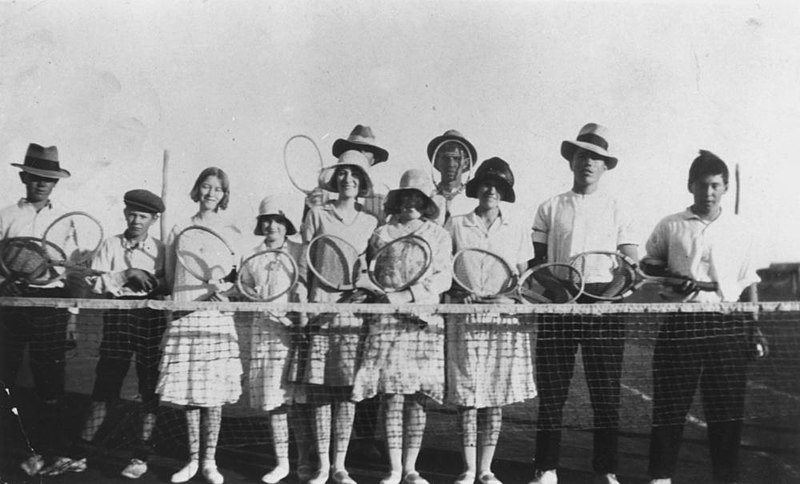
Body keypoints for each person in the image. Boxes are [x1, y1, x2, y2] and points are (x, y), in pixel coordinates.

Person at [644, 151, 761, 484]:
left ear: (724, 188)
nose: (708, 192)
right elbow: (647, 263)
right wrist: (670, 273)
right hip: (681, 322)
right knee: (669, 405)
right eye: (701, 185)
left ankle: (724, 477)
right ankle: (660, 477)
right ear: (690, 186)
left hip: (727, 324)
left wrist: (755, 329)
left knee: (726, 411)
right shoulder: (670, 224)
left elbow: (750, 281)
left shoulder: (741, 229)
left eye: (715, 186)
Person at [529, 124, 637, 484]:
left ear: (605, 166)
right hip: (561, 301)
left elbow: (629, 267)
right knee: (552, 393)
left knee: (606, 396)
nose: (588, 162)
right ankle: (545, 469)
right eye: (581, 155)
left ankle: (606, 470)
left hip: (603, 304)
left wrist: (605, 300)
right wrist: (558, 291)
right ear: (571, 161)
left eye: (595, 157)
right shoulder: (550, 206)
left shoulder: (618, 208)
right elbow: (536, 266)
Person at [351, 168, 452, 484]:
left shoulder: (439, 234)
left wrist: (408, 296)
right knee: (392, 397)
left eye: (417, 197)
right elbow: (369, 274)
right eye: (405, 196)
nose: (411, 202)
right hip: (389, 325)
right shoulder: (382, 233)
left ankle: (411, 468)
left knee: (417, 399)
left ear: (425, 203)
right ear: (397, 199)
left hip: (424, 323)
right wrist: (384, 295)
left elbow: (443, 277)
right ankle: (394, 469)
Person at [446, 158, 536, 484]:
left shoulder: (518, 227)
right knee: (468, 398)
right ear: (476, 187)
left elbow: (523, 277)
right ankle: (468, 469)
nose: (492, 190)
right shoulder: (456, 224)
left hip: (502, 320)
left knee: (494, 397)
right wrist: (459, 294)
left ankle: (486, 470)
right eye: (486, 183)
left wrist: (509, 298)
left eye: (499, 186)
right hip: (465, 318)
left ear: (506, 193)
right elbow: (446, 270)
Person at [72, 189, 167, 479]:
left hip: (150, 318)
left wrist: (158, 282)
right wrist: (127, 274)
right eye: (132, 213)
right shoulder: (111, 244)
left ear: (154, 218)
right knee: (106, 383)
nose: (136, 220)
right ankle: (82, 450)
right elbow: (95, 282)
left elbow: (168, 282)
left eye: (143, 215)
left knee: (150, 384)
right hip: (117, 317)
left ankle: (141, 454)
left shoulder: (162, 249)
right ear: (125, 213)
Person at [156, 167, 243, 484]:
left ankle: (210, 462)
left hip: (216, 321)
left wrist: (224, 290)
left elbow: (236, 280)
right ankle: (192, 460)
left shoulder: (232, 231)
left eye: (217, 189)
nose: (210, 193)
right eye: (205, 187)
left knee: (214, 395)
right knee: (190, 394)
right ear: (197, 189)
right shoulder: (181, 228)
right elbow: (169, 276)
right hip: (185, 318)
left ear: (224, 195)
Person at [0, 143, 81, 477]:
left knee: (50, 382)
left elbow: (72, 270)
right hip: (12, 305)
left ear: (56, 183)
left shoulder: (65, 222)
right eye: (35, 177)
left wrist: (73, 315)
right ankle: (16, 451)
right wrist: (5, 283)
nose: (41, 183)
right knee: (6, 377)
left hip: (51, 306)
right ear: (24, 177)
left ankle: (54, 452)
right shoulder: (6, 215)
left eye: (48, 178)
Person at [301, 150, 379, 484]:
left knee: (347, 392)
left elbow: (374, 270)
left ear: (362, 182)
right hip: (320, 309)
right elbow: (304, 265)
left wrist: (364, 285)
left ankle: (340, 466)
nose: (348, 180)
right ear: (336, 179)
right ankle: (321, 466)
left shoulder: (371, 222)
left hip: (352, 316)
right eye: (343, 173)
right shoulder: (316, 214)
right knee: (320, 392)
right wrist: (305, 308)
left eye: (355, 175)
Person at [237, 195, 312, 484]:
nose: (271, 225)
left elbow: (305, 289)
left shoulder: (300, 251)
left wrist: (296, 319)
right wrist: (254, 298)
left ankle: (305, 461)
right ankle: (282, 463)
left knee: (300, 402)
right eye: (266, 220)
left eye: (277, 220)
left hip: (296, 333)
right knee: (276, 403)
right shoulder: (251, 254)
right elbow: (244, 287)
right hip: (265, 334)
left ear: (287, 224)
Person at [427, 130, 478, 225]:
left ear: (466, 163)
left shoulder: (473, 202)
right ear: (437, 162)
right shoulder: (428, 197)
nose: (451, 164)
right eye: (446, 158)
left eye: (456, 159)